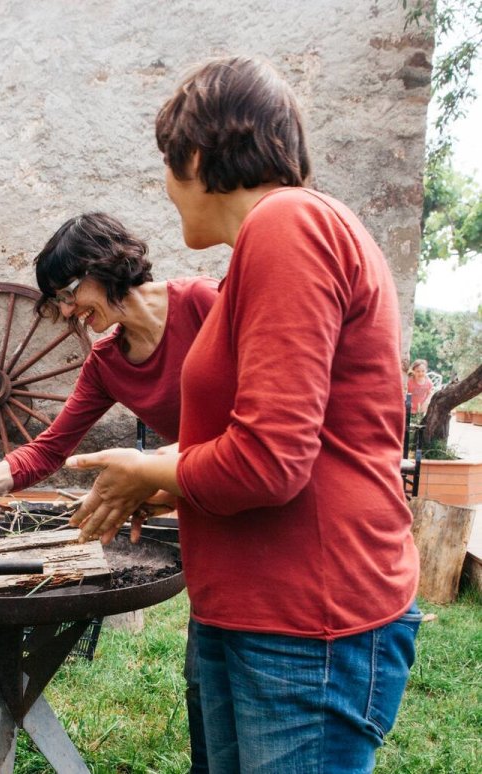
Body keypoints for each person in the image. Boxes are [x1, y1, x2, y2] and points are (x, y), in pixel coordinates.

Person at [66, 56, 421, 773]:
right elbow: (290, 442)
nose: (165, 190)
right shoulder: (258, 253)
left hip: (307, 622)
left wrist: (152, 465)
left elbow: (270, 461)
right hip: (252, 612)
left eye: (167, 165)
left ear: (195, 156)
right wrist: (171, 483)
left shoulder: (289, 222)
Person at [0, 210, 218, 771]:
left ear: (107, 265)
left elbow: (252, 421)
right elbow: (49, 449)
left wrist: (151, 470)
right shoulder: (108, 360)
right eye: (59, 302)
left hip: (229, 486)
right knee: (206, 687)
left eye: (69, 292)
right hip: (204, 504)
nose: (68, 311)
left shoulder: (208, 305)